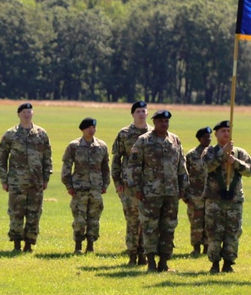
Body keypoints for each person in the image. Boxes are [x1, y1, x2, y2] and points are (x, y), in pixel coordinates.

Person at [127, 110, 190, 272]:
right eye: (161, 121)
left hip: (171, 193)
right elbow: (133, 167)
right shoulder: (143, 141)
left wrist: (183, 187)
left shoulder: (174, 140)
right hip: (150, 193)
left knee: (168, 227)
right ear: (154, 122)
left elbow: (181, 167)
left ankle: (164, 262)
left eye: (166, 121)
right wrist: (136, 188)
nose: (164, 123)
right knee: (150, 227)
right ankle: (151, 262)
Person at [201, 120, 251, 274]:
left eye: (228, 130)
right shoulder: (210, 151)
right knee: (214, 232)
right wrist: (222, 154)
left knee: (233, 232)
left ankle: (229, 263)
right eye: (223, 131)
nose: (226, 133)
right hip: (214, 200)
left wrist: (235, 162)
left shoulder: (239, 152)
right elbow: (207, 166)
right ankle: (214, 263)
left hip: (234, 200)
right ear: (216, 134)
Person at [0, 102, 52, 252]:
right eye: (24, 112)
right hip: (16, 181)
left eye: (29, 112)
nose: (27, 115)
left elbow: (47, 158)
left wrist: (46, 178)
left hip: (36, 181)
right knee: (16, 212)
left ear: (32, 114)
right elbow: (2, 158)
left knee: (34, 213)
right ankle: (16, 244)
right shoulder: (10, 134)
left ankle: (29, 244)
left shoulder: (41, 134)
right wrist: (4, 179)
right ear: (19, 115)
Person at [60, 117, 110, 254]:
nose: (91, 130)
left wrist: (105, 184)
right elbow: (66, 167)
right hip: (79, 189)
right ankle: (77, 246)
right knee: (79, 220)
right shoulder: (74, 146)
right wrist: (69, 185)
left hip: (95, 189)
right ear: (83, 129)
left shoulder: (101, 146)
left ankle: (90, 246)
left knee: (94, 219)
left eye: (93, 127)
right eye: (88, 127)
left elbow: (105, 168)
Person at [111, 100, 151, 266]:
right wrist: (117, 181)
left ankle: (144, 254)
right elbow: (116, 159)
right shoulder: (125, 134)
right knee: (133, 221)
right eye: (138, 111)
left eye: (143, 111)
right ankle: (132, 255)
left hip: (150, 185)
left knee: (147, 221)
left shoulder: (153, 133)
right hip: (129, 185)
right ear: (133, 114)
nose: (141, 114)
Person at [185, 126, 213, 257]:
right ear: (199, 139)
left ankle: (207, 247)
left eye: (209, 136)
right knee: (196, 222)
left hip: (210, 194)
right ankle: (196, 247)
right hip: (195, 195)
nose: (208, 139)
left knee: (209, 222)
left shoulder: (214, 153)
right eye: (205, 137)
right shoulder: (191, 155)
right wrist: (185, 194)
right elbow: (185, 174)